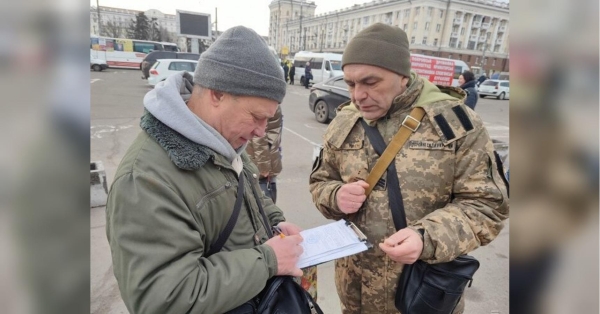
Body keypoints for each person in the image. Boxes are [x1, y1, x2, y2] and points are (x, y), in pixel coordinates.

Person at [309, 23, 509, 314]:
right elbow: (320, 181)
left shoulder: (454, 122)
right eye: (351, 84)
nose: (357, 95)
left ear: (402, 76)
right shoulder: (346, 120)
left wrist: (426, 237)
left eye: (370, 82)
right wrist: (334, 195)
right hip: (355, 295)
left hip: (421, 294)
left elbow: (487, 205)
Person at [106, 26, 305, 314]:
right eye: (256, 117)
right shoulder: (145, 179)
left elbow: (246, 191)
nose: (261, 132)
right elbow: (164, 299)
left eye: (268, 119)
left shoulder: (220, 138)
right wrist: (268, 260)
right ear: (217, 94)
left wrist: (275, 222)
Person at [246, 105, 283, 203]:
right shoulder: (270, 103)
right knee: (263, 197)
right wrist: (264, 168)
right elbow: (259, 136)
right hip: (264, 161)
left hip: (266, 155)